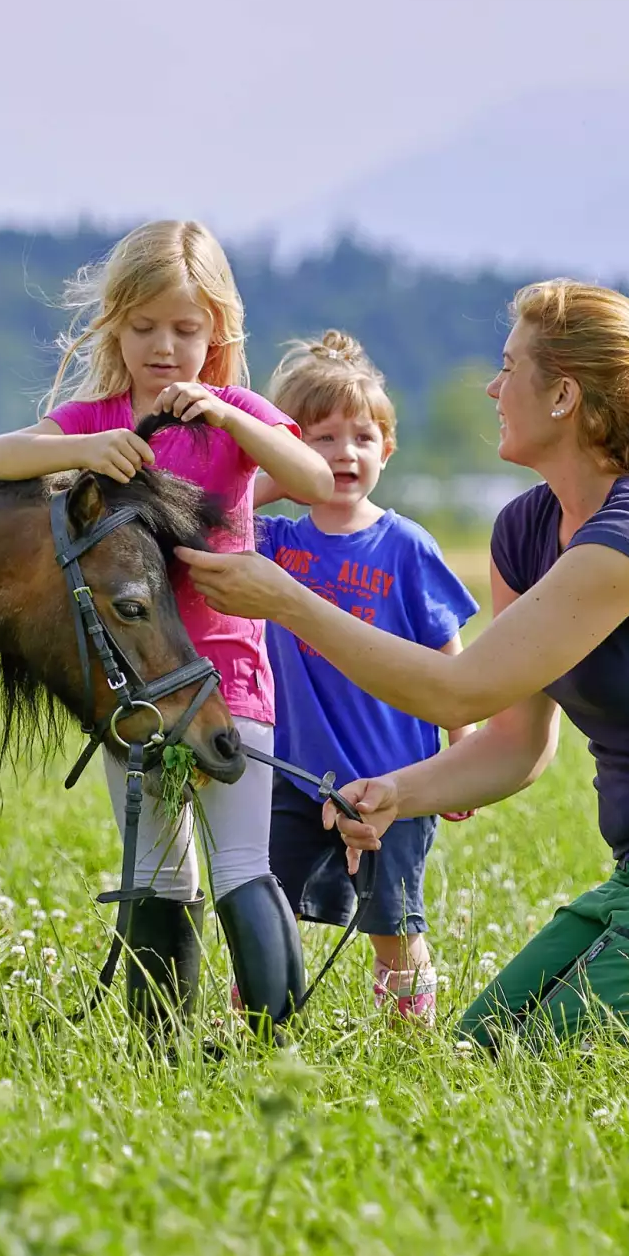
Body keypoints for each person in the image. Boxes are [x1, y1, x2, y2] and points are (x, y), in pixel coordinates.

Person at [175, 280, 629, 1046]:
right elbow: (517, 743)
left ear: (563, 396)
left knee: (540, 1062)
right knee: (478, 1047)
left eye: (509, 367)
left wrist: (286, 600)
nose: (492, 387)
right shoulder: (524, 530)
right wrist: (398, 792)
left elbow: (459, 693)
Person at [0, 219, 333, 1032]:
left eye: (184, 328)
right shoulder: (97, 418)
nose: (163, 346)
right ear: (115, 327)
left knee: (241, 863)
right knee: (158, 872)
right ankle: (159, 1046)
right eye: (142, 327)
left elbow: (314, 478)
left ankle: (275, 1041)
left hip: (229, 677)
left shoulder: (234, 412)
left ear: (217, 333)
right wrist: (84, 448)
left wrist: (231, 421)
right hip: (134, 686)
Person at [254, 330, 478, 1023]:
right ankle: (258, 1028)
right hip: (296, 774)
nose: (343, 454)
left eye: (362, 437)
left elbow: (451, 659)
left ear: (388, 449)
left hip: (395, 778)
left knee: (393, 924)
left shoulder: (406, 546)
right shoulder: (273, 544)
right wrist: (276, 473)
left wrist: (462, 755)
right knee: (267, 909)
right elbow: (216, 515)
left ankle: (410, 1043)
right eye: (320, 439)